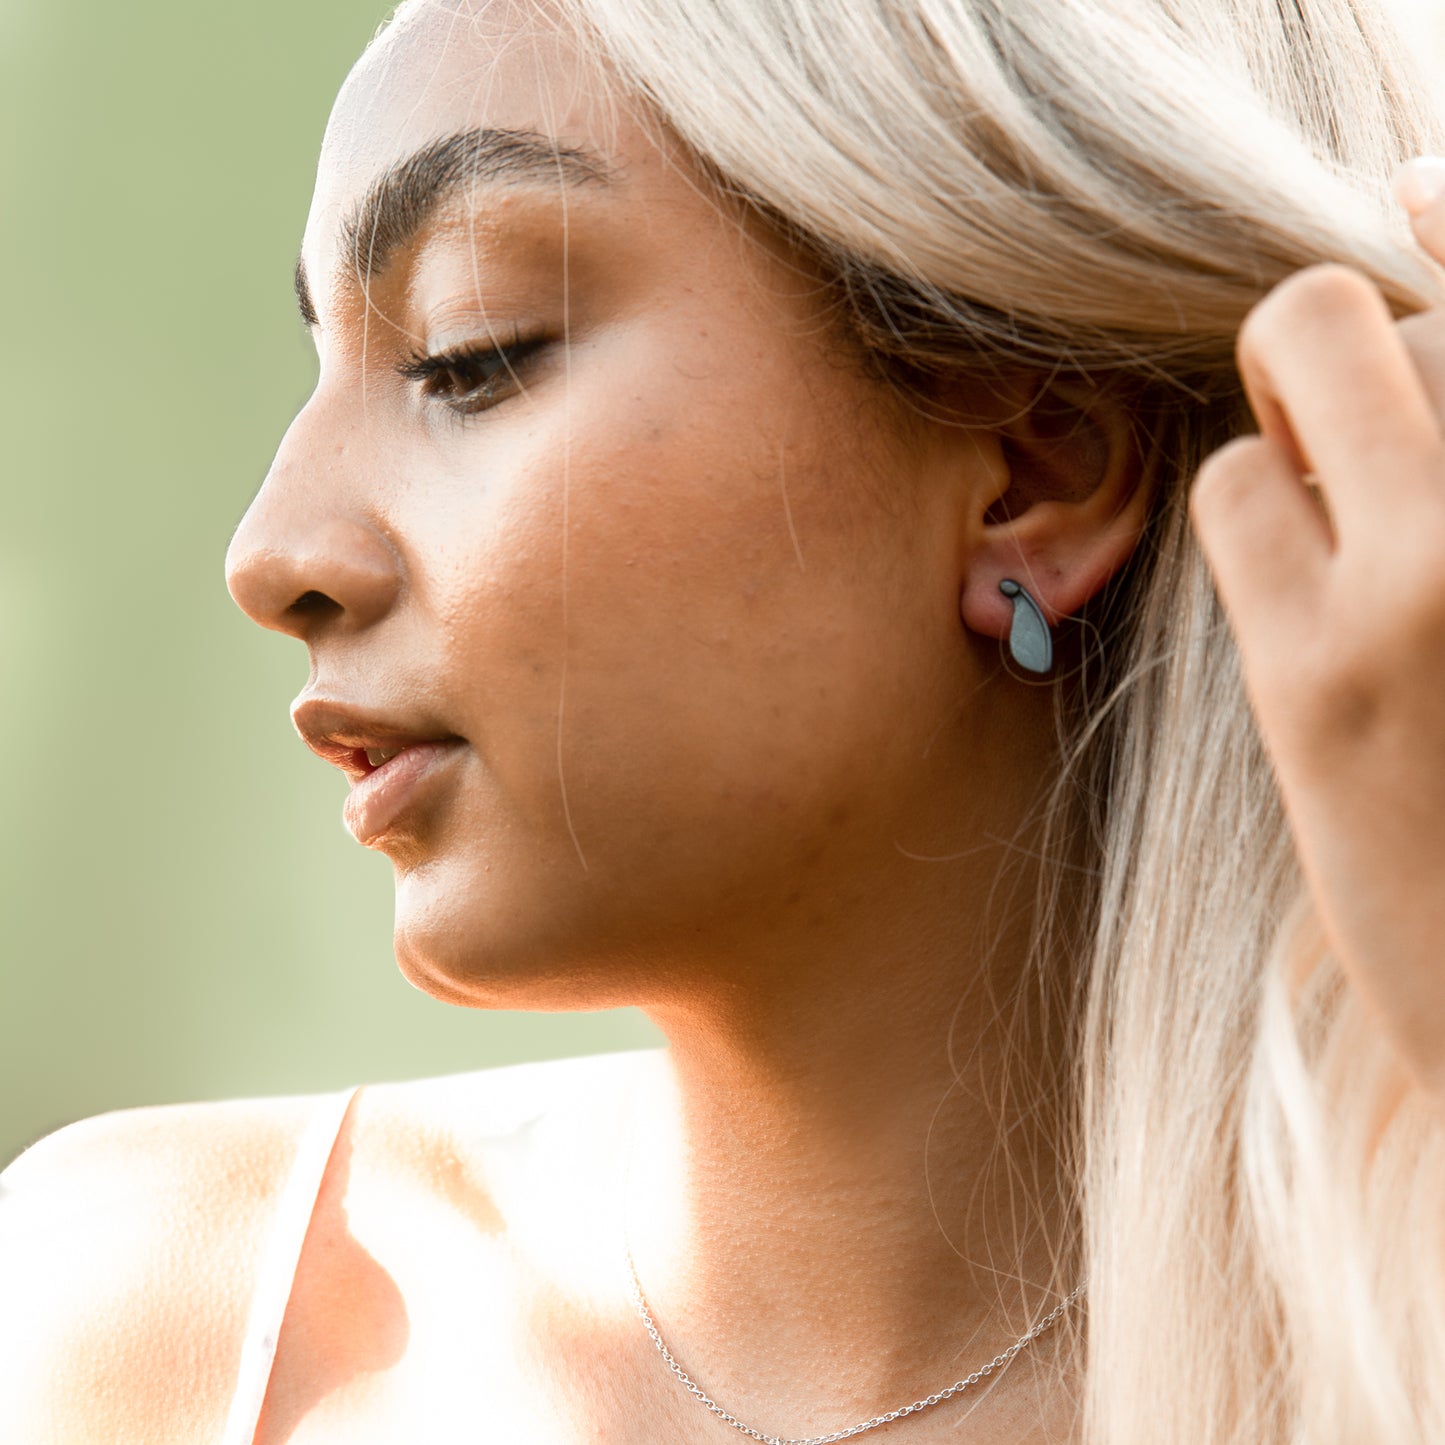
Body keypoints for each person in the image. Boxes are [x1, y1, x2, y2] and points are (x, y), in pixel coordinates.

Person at [5, 0, 1445, 1439]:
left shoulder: (1392, 1353)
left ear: (1032, 466)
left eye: (468, 350)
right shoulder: (138, 1328)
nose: (273, 553)